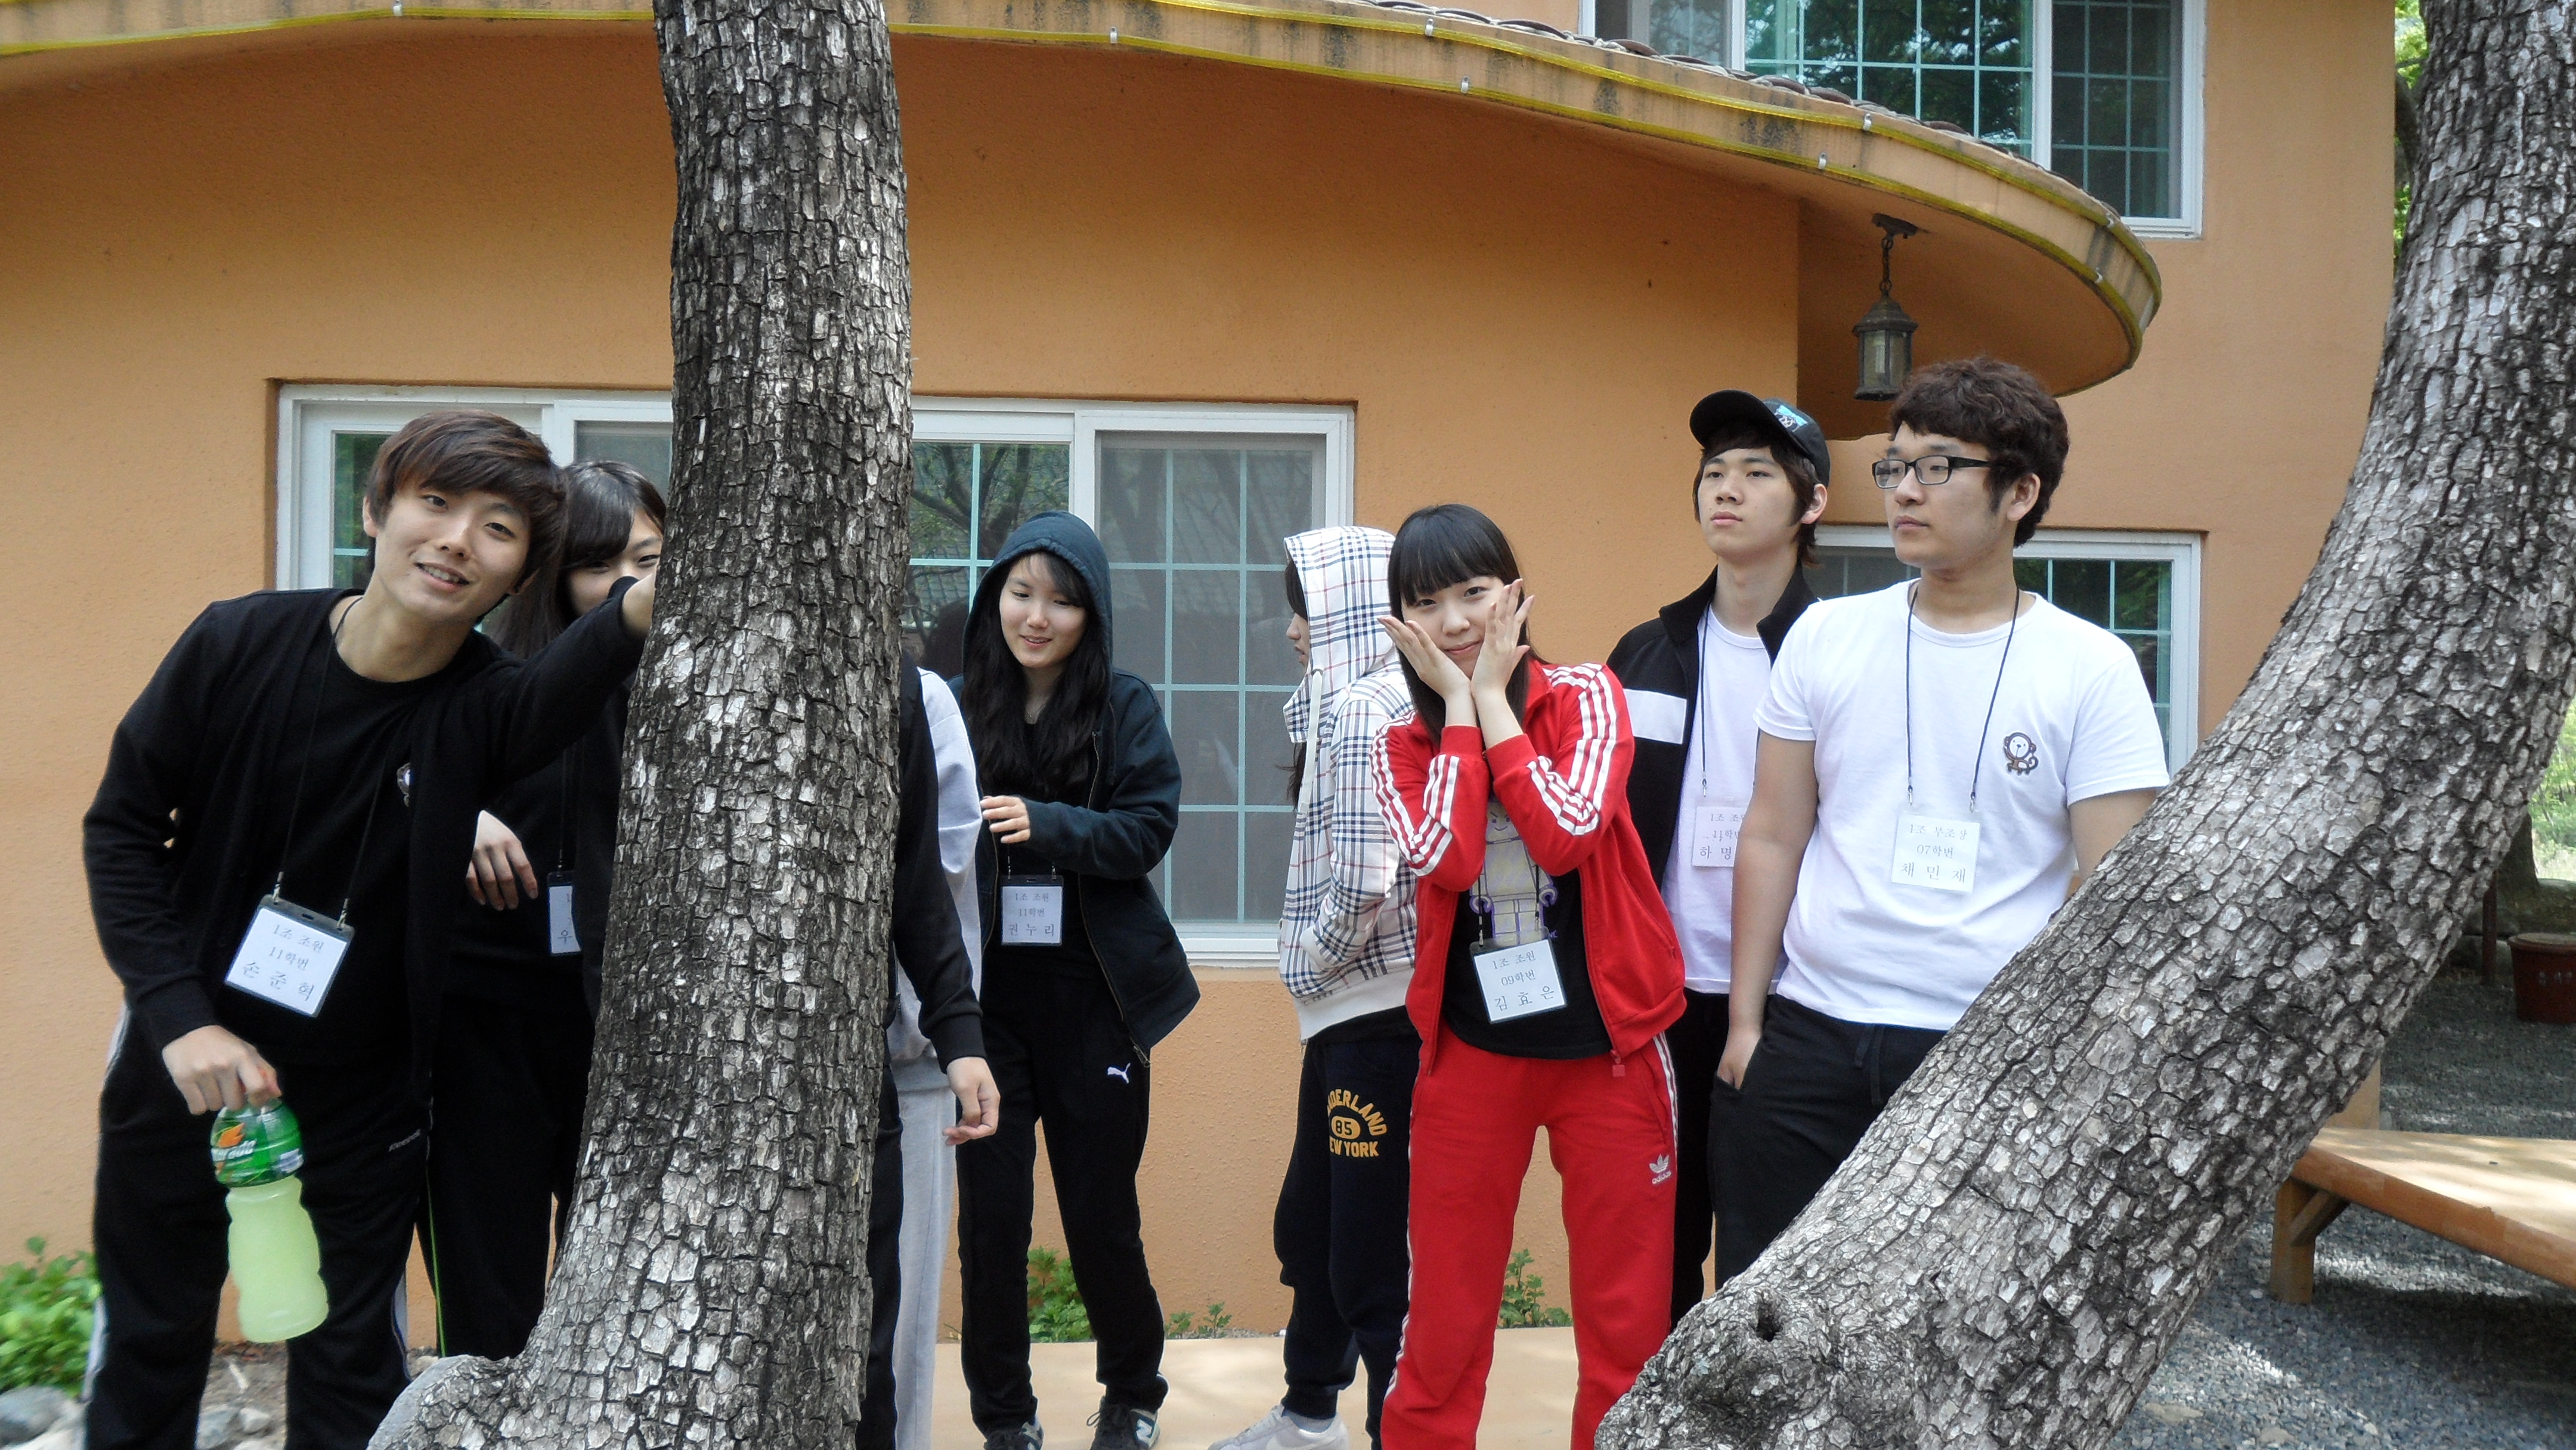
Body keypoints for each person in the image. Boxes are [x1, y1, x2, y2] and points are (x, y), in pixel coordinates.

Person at [83, 411, 654, 1450]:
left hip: (363, 1100)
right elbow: (121, 829)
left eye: (498, 528)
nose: (457, 541)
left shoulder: (488, 707)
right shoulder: (235, 642)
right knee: (148, 1348)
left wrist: (648, 597)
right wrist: (178, 1017)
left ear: (522, 570)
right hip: (185, 1063)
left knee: (351, 1374)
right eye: (435, 504)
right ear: (374, 511)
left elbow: (582, 667)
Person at [1716, 358, 2169, 1280]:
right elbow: (1772, 833)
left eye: (1938, 467)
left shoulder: (2090, 668)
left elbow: (2113, 895)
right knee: (1760, 1315)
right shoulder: (1828, 636)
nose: (1905, 491)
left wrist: (2055, 1066)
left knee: (1938, 1322)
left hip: (1982, 1051)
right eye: (1895, 466)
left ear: (2019, 493)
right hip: (1807, 1035)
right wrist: (1746, 1026)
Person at [1371, 504, 1685, 1450]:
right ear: (1400, 622)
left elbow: (1564, 832)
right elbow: (1451, 857)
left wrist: (1494, 704)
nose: (1455, 622)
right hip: (1473, 1059)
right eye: (1426, 603)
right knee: (1445, 1323)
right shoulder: (1401, 743)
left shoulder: (1588, 695)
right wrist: (1458, 716)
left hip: (1612, 1053)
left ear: (1513, 593)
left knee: (1627, 1325)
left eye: (1473, 593)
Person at [951, 512, 1199, 1450]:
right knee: (992, 1225)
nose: (1037, 617)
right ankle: (1005, 1419)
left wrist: (1049, 822)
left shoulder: (1124, 705)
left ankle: (1133, 1395)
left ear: (1091, 614)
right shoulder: (956, 703)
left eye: (1060, 601)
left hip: (1096, 1002)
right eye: (1020, 593)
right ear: (995, 599)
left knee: (1101, 1219)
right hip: (987, 1013)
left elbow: (1148, 829)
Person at [419, 460, 668, 1358]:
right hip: (485, 1018)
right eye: (599, 564)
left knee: (620, 1294)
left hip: (621, 1020)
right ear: (551, 572)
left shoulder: (687, 694)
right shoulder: (477, 672)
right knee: (490, 1295)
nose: (627, 585)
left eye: (649, 559)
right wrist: (456, 813)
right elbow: (385, 770)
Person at [1605, 392, 1828, 1325]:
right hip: (1657, 996)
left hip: (1793, 1001)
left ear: (1811, 504)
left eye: (1756, 473)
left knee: (1768, 1249)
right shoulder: (1646, 652)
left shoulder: (1840, 653)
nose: (1725, 491)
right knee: (1652, 1240)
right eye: (1713, 474)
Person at [1211, 528, 1419, 1450]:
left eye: (1307, 609)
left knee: (1364, 1246)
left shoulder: (1365, 707)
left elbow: (1368, 879)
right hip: (1354, 1020)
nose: (1293, 630)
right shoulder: (1360, 698)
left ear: (1353, 606)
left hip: (1374, 1017)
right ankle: (1309, 1414)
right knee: (1319, 1224)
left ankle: (1389, 1431)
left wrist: (1311, 960)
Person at [859, 658, 1004, 1450]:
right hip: (759, 1066)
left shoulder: (918, 696)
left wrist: (952, 1036)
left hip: (908, 1054)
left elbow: (931, 875)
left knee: (898, 1313)